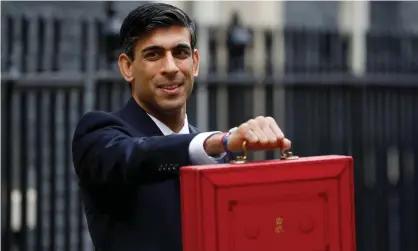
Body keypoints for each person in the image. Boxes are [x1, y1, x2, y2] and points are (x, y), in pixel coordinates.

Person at [71, 3, 291, 251]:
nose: (171, 67)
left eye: (180, 53)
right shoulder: (98, 133)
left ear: (195, 62)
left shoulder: (214, 153)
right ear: (127, 67)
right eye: (153, 54)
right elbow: (135, 156)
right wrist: (218, 142)